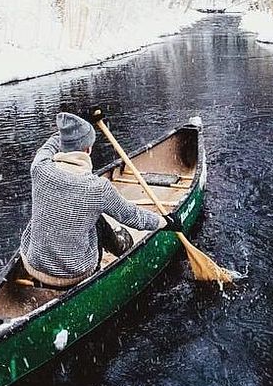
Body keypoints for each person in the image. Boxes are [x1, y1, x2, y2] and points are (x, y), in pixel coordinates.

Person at [20, 112, 180, 288]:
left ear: (63, 144)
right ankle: (121, 245)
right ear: (88, 150)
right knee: (97, 220)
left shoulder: (40, 167)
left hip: (32, 264)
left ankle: (43, 270)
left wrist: (72, 131)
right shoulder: (97, 188)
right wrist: (165, 222)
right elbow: (132, 217)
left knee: (53, 207)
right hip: (73, 274)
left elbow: (49, 146)